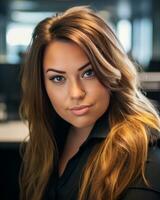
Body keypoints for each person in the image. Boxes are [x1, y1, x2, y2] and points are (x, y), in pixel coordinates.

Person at [19, 5, 160, 200]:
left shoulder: (144, 160)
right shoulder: (49, 136)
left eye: (89, 73)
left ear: (112, 71)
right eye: (58, 78)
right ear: (42, 86)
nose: (76, 93)